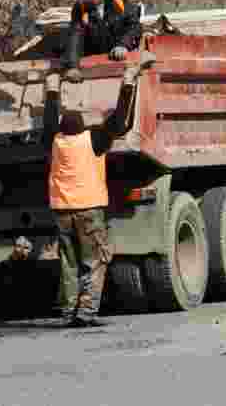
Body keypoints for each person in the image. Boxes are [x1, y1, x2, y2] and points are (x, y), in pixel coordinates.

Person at [44, 53, 152, 327]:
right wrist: (129, 80)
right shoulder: (92, 140)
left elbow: (48, 119)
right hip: (89, 211)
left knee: (68, 263)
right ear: (83, 127)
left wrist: (52, 87)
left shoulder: (55, 142)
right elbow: (119, 121)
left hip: (62, 212)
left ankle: (68, 312)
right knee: (95, 260)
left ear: (61, 129)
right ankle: (86, 311)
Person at [62, 0, 142, 82]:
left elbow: (135, 27)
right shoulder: (80, 8)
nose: (86, 1)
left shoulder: (122, 3)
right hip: (95, 56)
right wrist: (72, 66)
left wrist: (123, 45)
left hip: (119, 56)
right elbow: (75, 34)